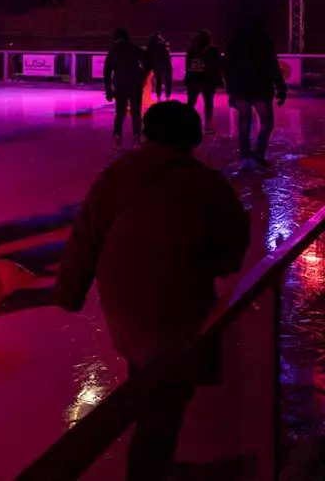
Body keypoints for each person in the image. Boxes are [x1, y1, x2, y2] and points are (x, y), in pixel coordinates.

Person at [56, 101, 250, 481]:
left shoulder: (116, 175)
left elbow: (84, 236)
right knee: (164, 405)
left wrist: (70, 291)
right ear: (191, 138)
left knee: (148, 381)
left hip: (126, 310)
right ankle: (148, 471)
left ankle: (153, 465)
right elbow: (231, 257)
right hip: (176, 314)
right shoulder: (207, 185)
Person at [224, 18, 287, 170]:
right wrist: (280, 87)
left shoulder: (234, 42)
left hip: (240, 87)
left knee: (245, 122)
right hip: (260, 87)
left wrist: (231, 89)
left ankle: (246, 157)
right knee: (266, 123)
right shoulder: (265, 42)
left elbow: (227, 67)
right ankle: (258, 154)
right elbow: (272, 65)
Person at [104, 28, 149, 153]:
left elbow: (107, 72)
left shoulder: (113, 51)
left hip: (120, 86)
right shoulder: (135, 49)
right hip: (135, 85)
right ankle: (136, 139)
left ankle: (117, 138)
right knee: (135, 113)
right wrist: (143, 75)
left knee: (120, 113)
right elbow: (148, 61)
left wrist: (108, 88)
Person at [183, 30, 223, 136]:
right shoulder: (213, 50)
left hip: (195, 80)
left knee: (192, 103)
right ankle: (208, 125)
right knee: (208, 103)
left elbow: (188, 65)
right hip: (207, 80)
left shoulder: (193, 49)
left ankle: (188, 124)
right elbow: (218, 64)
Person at [145, 32, 173, 101]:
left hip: (156, 65)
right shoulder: (162, 45)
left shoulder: (149, 45)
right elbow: (168, 56)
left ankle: (158, 97)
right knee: (167, 80)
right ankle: (167, 96)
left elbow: (147, 56)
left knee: (158, 80)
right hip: (165, 64)